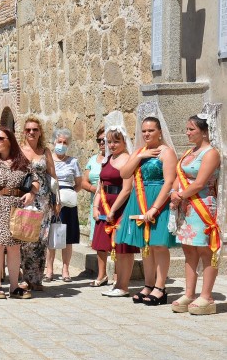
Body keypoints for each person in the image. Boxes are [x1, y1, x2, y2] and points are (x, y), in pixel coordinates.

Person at [116, 105, 178, 306]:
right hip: (139, 199)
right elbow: (124, 174)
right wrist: (139, 157)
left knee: (159, 244)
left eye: (151, 130)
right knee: (146, 246)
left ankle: (161, 287)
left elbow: (169, 181)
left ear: (160, 132)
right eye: (144, 131)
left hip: (157, 200)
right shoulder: (140, 151)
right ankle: (148, 284)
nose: (147, 134)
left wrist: (154, 208)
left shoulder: (166, 152)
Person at [0, 128, 39, 299]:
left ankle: (13, 287)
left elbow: (35, 181)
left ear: (9, 140)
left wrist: (31, 194)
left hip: (16, 207)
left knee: (14, 247)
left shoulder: (22, 162)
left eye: (0, 138)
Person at [170, 114, 221, 315]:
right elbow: (179, 176)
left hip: (202, 206)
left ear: (205, 131)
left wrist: (179, 195)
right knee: (189, 250)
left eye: (192, 129)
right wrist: (174, 192)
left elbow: (200, 183)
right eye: (187, 129)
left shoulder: (210, 153)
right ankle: (189, 293)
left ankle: (207, 296)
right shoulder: (190, 152)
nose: (187, 132)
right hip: (185, 206)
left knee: (205, 251)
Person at [91, 112, 138, 296]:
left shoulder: (127, 159)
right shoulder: (107, 159)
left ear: (124, 141)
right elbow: (100, 186)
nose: (111, 145)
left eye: (116, 142)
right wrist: (96, 206)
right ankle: (117, 283)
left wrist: (113, 210)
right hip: (105, 204)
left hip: (121, 206)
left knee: (123, 248)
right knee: (112, 248)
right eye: (109, 142)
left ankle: (123, 284)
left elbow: (127, 189)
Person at [19, 116, 56, 289]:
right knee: (25, 239)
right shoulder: (19, 150)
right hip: (26, 198)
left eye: (35, 129)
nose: (31, 132)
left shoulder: (45, 151)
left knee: (41, 239)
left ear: (40, 132)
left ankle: (37, 279)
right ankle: (25, 278)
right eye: (28, 130)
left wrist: (57, 200)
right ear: (24, 132)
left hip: (44, 199)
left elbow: (53, 176)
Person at [46, 128, 82, 282]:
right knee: (51, 235)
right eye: (59, 141)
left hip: (67, 203)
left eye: (64, 142)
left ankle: (66, 270)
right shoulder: (47, 160)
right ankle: (49, 269)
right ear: (54, 142)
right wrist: (54, 199)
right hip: (51, 202)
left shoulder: (73, 162)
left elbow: (79, 184)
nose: (61, 144)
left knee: (67, 237)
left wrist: (66, 196)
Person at [82, 127, 106, 243]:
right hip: (95, 201)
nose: (101, 143)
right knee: (97, 238)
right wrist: (94, 189)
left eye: (104, 140)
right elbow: (83, 182)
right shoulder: (92, 159)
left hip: (110, 199)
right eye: (99, 140)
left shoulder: (115, 158)